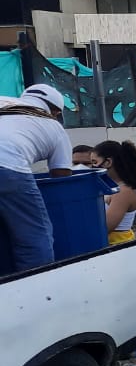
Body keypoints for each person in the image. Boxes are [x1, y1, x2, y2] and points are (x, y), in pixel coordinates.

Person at [91, 139, 136, 366]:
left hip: (119, 250)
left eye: (95, 163)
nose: (92, 167)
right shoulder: (113, 188)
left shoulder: (124, 191)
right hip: (111, 251)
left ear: (109, 161)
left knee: (123, 306)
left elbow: (105, 225)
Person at [0, 83, 72, 273]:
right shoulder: (54, 126)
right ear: (55, 111)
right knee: (34, 237)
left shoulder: (4, 101)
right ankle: (38, 289)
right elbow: (62, 176)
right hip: (7, 166)